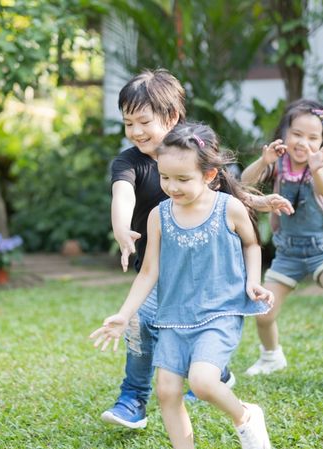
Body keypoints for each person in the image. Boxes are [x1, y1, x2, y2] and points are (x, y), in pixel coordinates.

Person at [104, 69, 292, 429]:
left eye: (144, 121)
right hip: (160, 271)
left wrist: (260, 201)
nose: (136, 131)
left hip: (208, 273)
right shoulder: (128, 162)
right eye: (128, 123)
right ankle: (133, 397)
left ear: (172, 118)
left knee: (203, 325)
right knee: (140, 325)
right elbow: (122, 193)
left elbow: (228, 193)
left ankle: (214, 372)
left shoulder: (194, 153)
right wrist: (121, 229)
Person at [92, 122, 274, 449]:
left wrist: (253, 281)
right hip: (173, 316)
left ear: (209, 174)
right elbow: (149, 272)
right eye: (165, 178)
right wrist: (124, 313)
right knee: (167, 392)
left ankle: (247, 417)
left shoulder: (229, 208)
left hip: (219, 311)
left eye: (182, 179)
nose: (171, 187)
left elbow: (252, 244)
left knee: (204, 382)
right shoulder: (159, 217)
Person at [240, 99, 323, 388]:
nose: (303, 142)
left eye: (313, 137)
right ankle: (271, 356)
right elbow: (244, 182)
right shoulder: (278, 166)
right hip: (288, 252)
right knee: (264, 311)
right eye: (297, 134)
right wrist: (264, 161)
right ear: (285, 133)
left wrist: (315, 167)